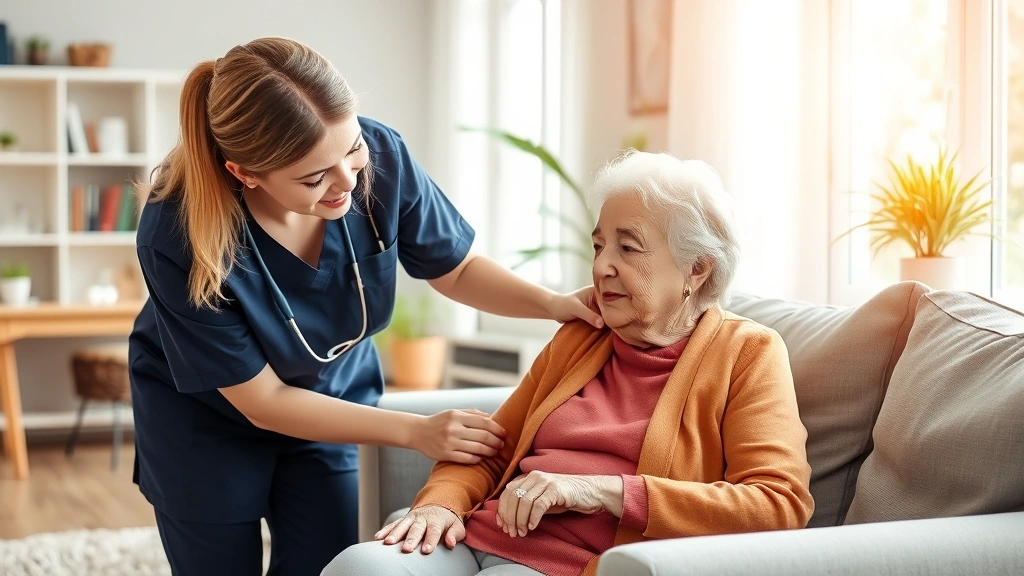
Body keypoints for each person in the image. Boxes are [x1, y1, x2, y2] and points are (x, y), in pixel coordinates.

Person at [127, 36, 604, 576]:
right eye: (314, 178)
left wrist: (553, 303)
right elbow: (262, 400)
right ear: (246, 173)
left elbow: (458, 268)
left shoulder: (379, 152)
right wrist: (414, 430)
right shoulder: (177, 230)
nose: (349, 186)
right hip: (206, 420)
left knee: (324, 563)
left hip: (335, 401)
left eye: (353, 152)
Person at [323, 151, 814, 576]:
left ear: (696, 268)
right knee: (357, 566)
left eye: (628, 247)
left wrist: (604, 491)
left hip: (573, 564)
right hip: (476, 538)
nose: (602, 266)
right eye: (599, 246)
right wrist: (439, 504)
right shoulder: (583, 335)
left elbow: (778, 504)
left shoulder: (748, 352)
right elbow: (495, 447)